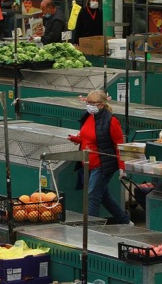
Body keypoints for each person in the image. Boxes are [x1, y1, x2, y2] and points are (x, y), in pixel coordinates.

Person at [68, 90, 131, 225]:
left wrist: (122, 167)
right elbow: (87, 138)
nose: (89, 105)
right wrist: (76, 139)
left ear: (102, 105)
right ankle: (124, 220)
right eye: (88, 102)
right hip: (86, 163)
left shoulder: (111, 121)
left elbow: (118, 144)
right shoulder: (88, 116)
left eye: (93, 103)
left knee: (92, 196)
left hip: (102, 164)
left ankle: (91, 229)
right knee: (103, 196)